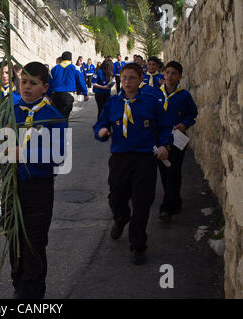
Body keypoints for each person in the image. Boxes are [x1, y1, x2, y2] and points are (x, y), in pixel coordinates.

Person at [93, 63, 173, 265]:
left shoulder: (151, 102)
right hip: (120, 158)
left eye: (132, 78)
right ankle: (121, 218)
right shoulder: (113, 103)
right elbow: (100, 124)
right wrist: (101, 132)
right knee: (117, 195)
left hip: (145, 158)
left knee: (142, 201)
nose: (127, 82)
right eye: (124, 78)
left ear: (141, 80)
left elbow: (164, 126)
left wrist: (164, 145)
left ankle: (138, 245)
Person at [7, 61, 68, 299]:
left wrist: (24, 154)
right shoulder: (9, 111)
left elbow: (59, 154)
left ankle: (32, 293)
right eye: (23, 82)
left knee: (34, 242)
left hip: (38, 188)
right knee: (14, 239)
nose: (27, 87)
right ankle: (18, 283)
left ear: (44, 87)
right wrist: (2, 151)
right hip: (11, 186)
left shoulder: (53, 117)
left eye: (33, 83)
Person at [156, 61, 198, 222]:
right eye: (167, 72)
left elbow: (192, 114)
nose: (170, 76)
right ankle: (175, 200)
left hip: (177, 139)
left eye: (174, 73)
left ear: (180, 76)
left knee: (174, 171)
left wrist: (184, 124)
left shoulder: (184, 95)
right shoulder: (156, 94)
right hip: (160, 139)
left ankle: (166, 207)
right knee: (165, 172)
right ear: (163, 74)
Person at [48, 51, 88, 120]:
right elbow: (81, 81)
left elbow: (49, 82)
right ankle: (64, 130)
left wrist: (48, 95)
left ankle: (56, 130)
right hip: (67, 95)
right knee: (65, 118)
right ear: (71, 59)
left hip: (55, 95)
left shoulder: (54, 69)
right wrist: (85, 93)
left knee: (56, 118)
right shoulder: (74, 68)